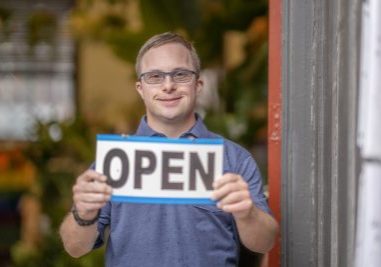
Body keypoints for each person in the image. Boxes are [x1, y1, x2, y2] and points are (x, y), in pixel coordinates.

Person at [59, 32, 278, 266]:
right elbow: (75, 248)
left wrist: (247, 213)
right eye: (154, 76)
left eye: (181, 74)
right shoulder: (114, 161)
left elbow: (265, 242)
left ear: (198, 84)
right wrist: (82, 214)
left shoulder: (234, 159)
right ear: (140, 88)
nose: (168, 86)